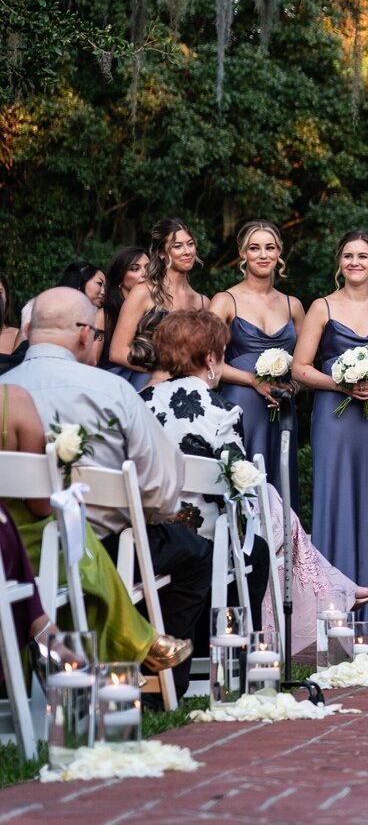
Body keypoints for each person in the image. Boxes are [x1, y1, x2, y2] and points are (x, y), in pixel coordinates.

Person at [6, 288, 207, 694]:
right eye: (97, 334)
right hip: (112, 548)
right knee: (196, 555)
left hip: (13, 558)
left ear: (26, 330)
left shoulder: (5, 391)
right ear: (84, 335)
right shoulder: (112, 391)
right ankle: (154, 688)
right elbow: (161, 488)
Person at [142, 310, 368, 652]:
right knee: (267, 535)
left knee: (276, 508)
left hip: (148, 534)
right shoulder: (220, 411)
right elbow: (238, 488)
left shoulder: (140, 403)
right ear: (210, 359)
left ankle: (335, 591)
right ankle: (251, 646)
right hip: (204, 538)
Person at [293, 230, 368, 639]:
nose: (355, 262)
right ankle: (332, 611)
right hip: (335, 416)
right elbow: (300, 368)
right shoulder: (322, 307)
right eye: (348, 256)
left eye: (363, 255)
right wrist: (341, 385)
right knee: (335, 499)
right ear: (339, 262)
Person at [209, 220, 306, 512]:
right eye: (254, 248)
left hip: (281, 410)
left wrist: (292, 387)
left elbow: (304, 367)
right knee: (240, 487)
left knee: (280, 485)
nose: (263, 255)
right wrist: (253, 381)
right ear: (243, 253)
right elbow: (206, 363)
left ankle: (280, 554)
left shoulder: (294, 306)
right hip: (240, 410)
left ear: (279, 254)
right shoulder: (225, 301)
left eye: (270, 247)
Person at [109, 219, 208, 390]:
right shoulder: (143, 293)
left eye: (190, 244)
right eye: (178, 246)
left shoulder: (203, 302)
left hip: (190, 390)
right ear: (161, 253)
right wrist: (165, 371)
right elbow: (117, 352)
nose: (187, 252)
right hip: (148, 384)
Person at [101, 246, 149, 379]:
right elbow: (89, 364)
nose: (145, 273)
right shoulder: (103, 316)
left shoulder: (154, 314)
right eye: (135, 269)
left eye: (148, 267)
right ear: (119, 278)